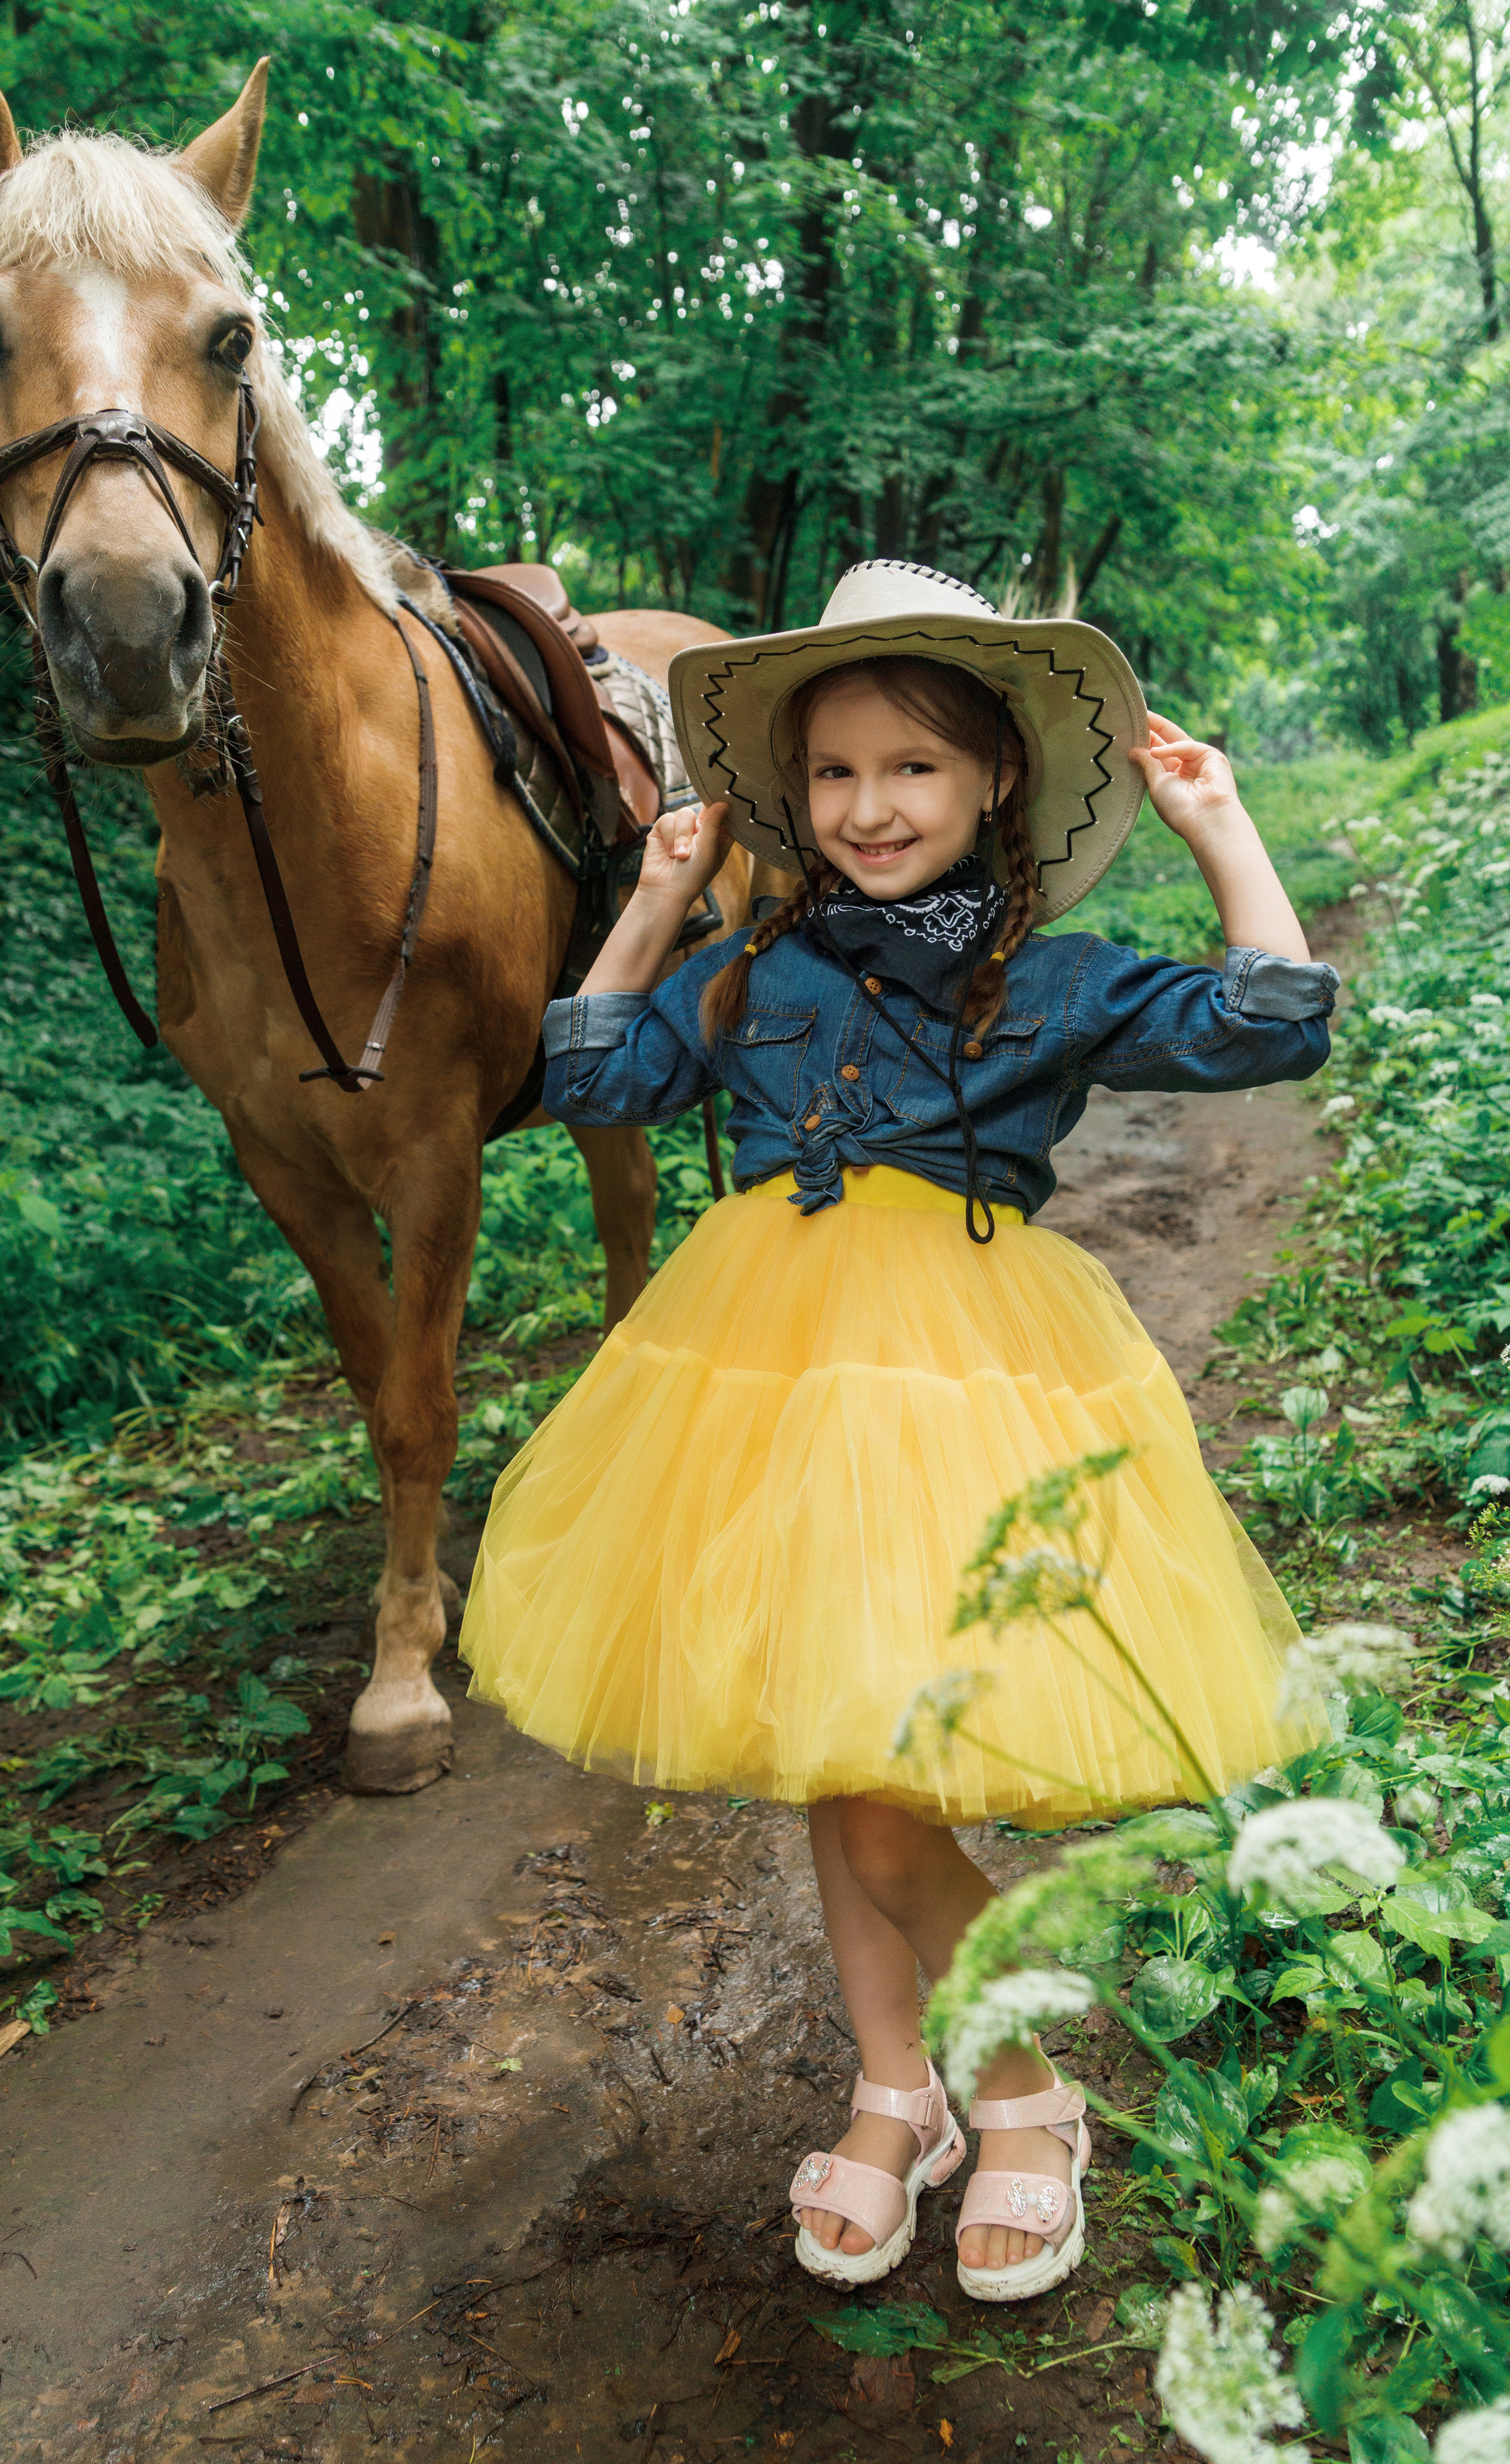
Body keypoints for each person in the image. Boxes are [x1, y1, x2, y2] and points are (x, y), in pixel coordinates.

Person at [459, 562, 1336, 2302]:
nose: (869, 808)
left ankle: (1023, 2096)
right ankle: (904, 2091)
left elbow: (1269, 1025)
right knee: (840, 1747)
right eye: (838, 774)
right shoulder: (751, 969)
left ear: (996, 778)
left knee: (881, 1781)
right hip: (766, 1372)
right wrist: (651, 904)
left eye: (913, 769)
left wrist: (1225, 829)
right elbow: (594, 1078)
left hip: (964, 1378)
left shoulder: (1059, 978)